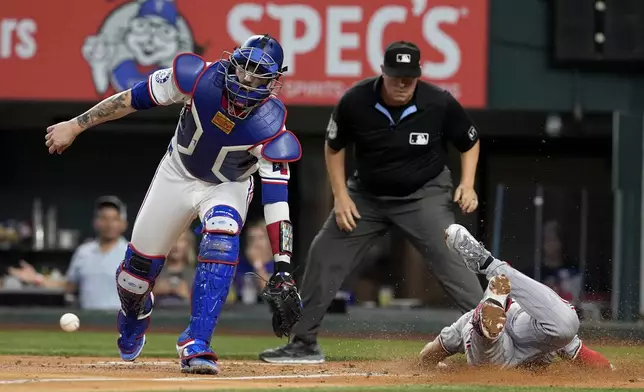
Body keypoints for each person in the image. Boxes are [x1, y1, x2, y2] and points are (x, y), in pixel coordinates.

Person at [44, 34, 303, 375]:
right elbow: (130, 99)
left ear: (273, 81)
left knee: (223, 231)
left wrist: (283, 268)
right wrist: (76, 125)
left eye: (258, 75)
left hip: (228, 185)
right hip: (177, 172)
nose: (246, 81)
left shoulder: (272, 127)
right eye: (244, 69)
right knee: (133, 280)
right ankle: (136, 311)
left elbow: (277, 204)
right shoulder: (195, 78)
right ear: (233, 63)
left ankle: (197, 342)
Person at [260, 41, 483, 364]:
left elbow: (469, 141)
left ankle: (494, 340)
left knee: (453, 260)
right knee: (324, 252)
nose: (403, 84)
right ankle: (303, 343)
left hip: (423, 195)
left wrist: (467, 183)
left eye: (410, 78)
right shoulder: (356, 100)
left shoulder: (439, 102)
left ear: (418, 75)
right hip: (367, 196)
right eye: (397, 78)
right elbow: (334, 146)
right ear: (384, 73)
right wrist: (341, 196)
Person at [418, 224, 613, 370]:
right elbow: (587, 357)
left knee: (566, 327)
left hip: (522, 325)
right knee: (489, 352)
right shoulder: (465, 322)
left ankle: (488, 266)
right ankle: (488, 309)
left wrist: (433, 363)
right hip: (504, 335)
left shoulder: (535, 320)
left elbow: (431, 352)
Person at [8, 196, 128, 310]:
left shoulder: (132, 253)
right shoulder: (83, 252)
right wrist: (37, 279)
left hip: (122, 323)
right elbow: (69, 286)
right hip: (90, 323)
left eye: (114, 219)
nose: (109, 224)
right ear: (95, 222)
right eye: (104, 218)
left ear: (123, 224)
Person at [153, 228, 197, 308]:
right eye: (173, 240)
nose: (176, 246)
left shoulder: (195, 275)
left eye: (181, 240)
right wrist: (152, 293)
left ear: (188, 244)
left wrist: (186, 295)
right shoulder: (154, 274)